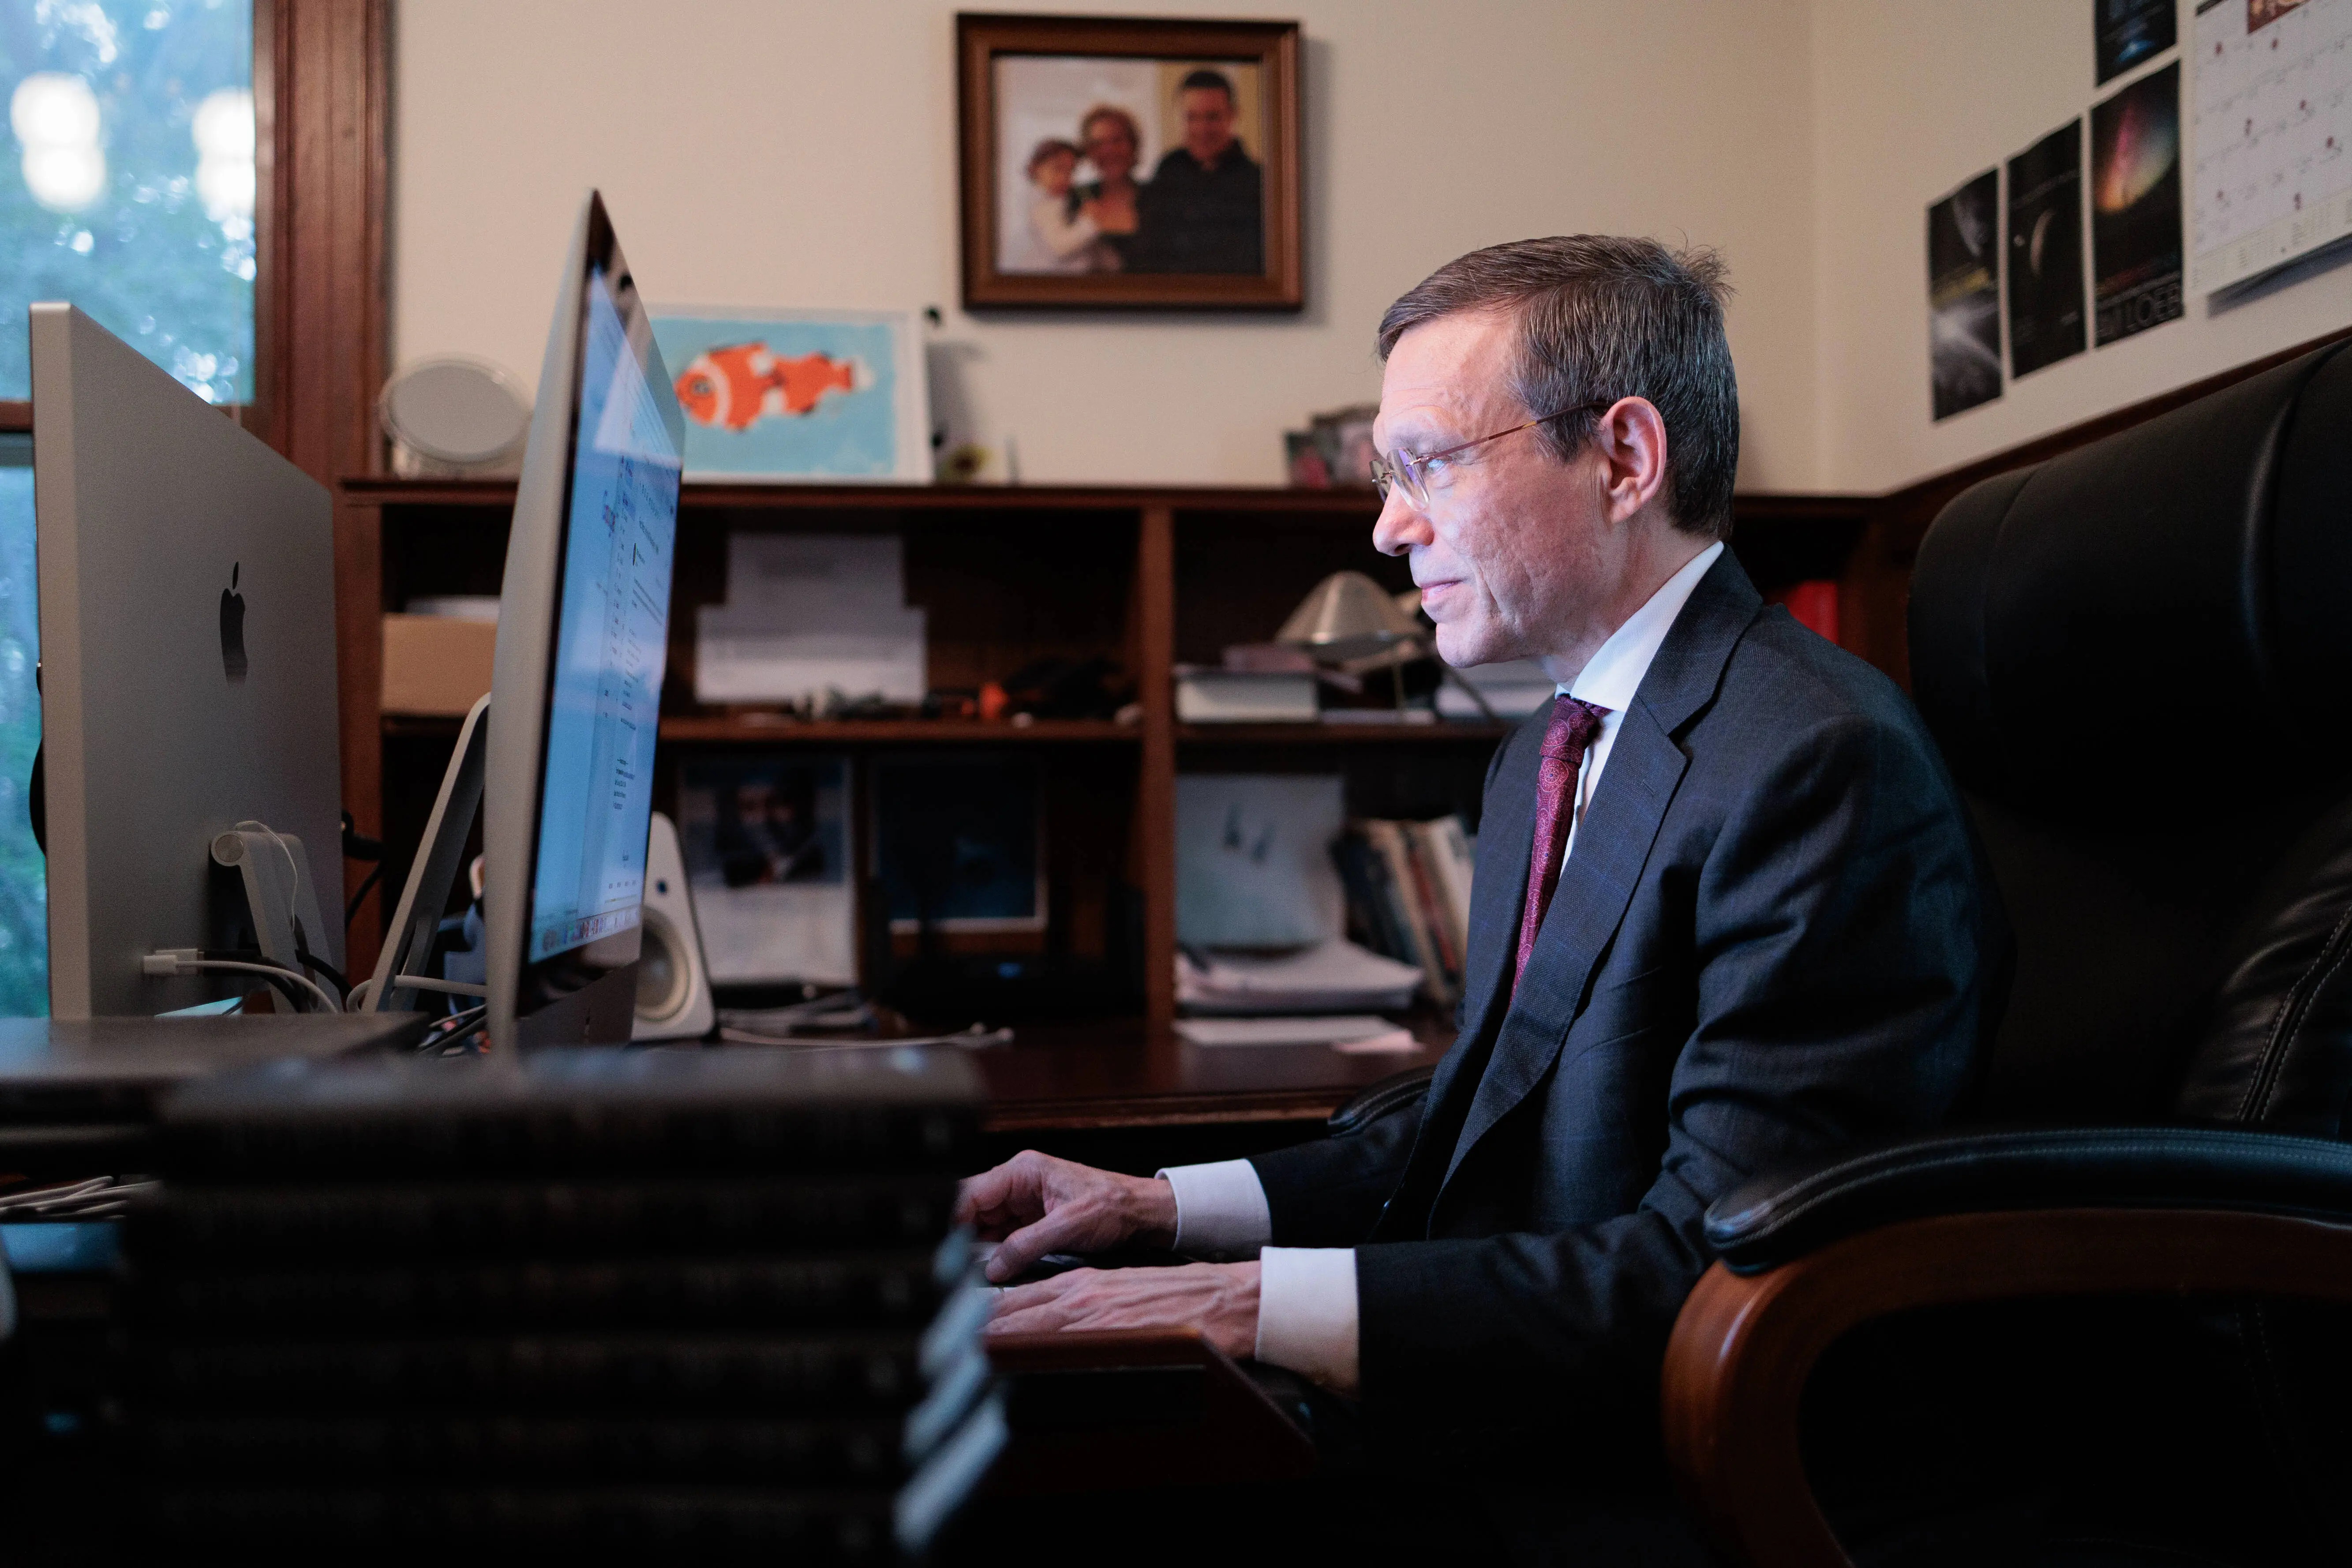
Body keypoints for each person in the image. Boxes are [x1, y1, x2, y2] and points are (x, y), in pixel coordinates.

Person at [958, 236, 2009, 1561]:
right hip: (1530, 1385)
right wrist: (1159, 1208)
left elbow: (1715, 1269)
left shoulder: (1815, 761)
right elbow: (1488, 1132)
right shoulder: (1546, 754)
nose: (1388, 526)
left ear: (1624, 460)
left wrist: (1237, 1303)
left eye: (1426, 466)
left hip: (1687, 1457)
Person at [1128, 67, 1262, 274]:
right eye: (1191, 117)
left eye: (1212, 117)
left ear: (1233, 115)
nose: (1202, 129)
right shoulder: (1168, 169)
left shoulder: (1258, 182)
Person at [1067, 104, 1143, 272]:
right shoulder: (1077, 197)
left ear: (1133, 145)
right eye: (1098, 144)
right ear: (1088, 151)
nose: (1109, 151)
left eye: (1117, 140)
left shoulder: (1159, 197)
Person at [1013, 137, 1098, 274]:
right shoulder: (1040, 205)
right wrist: (1091, 221)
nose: (1065, 178)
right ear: (1035, 168)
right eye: (1057, 169)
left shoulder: (1059, 199)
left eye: (1071, 171)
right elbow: (1060, 248)